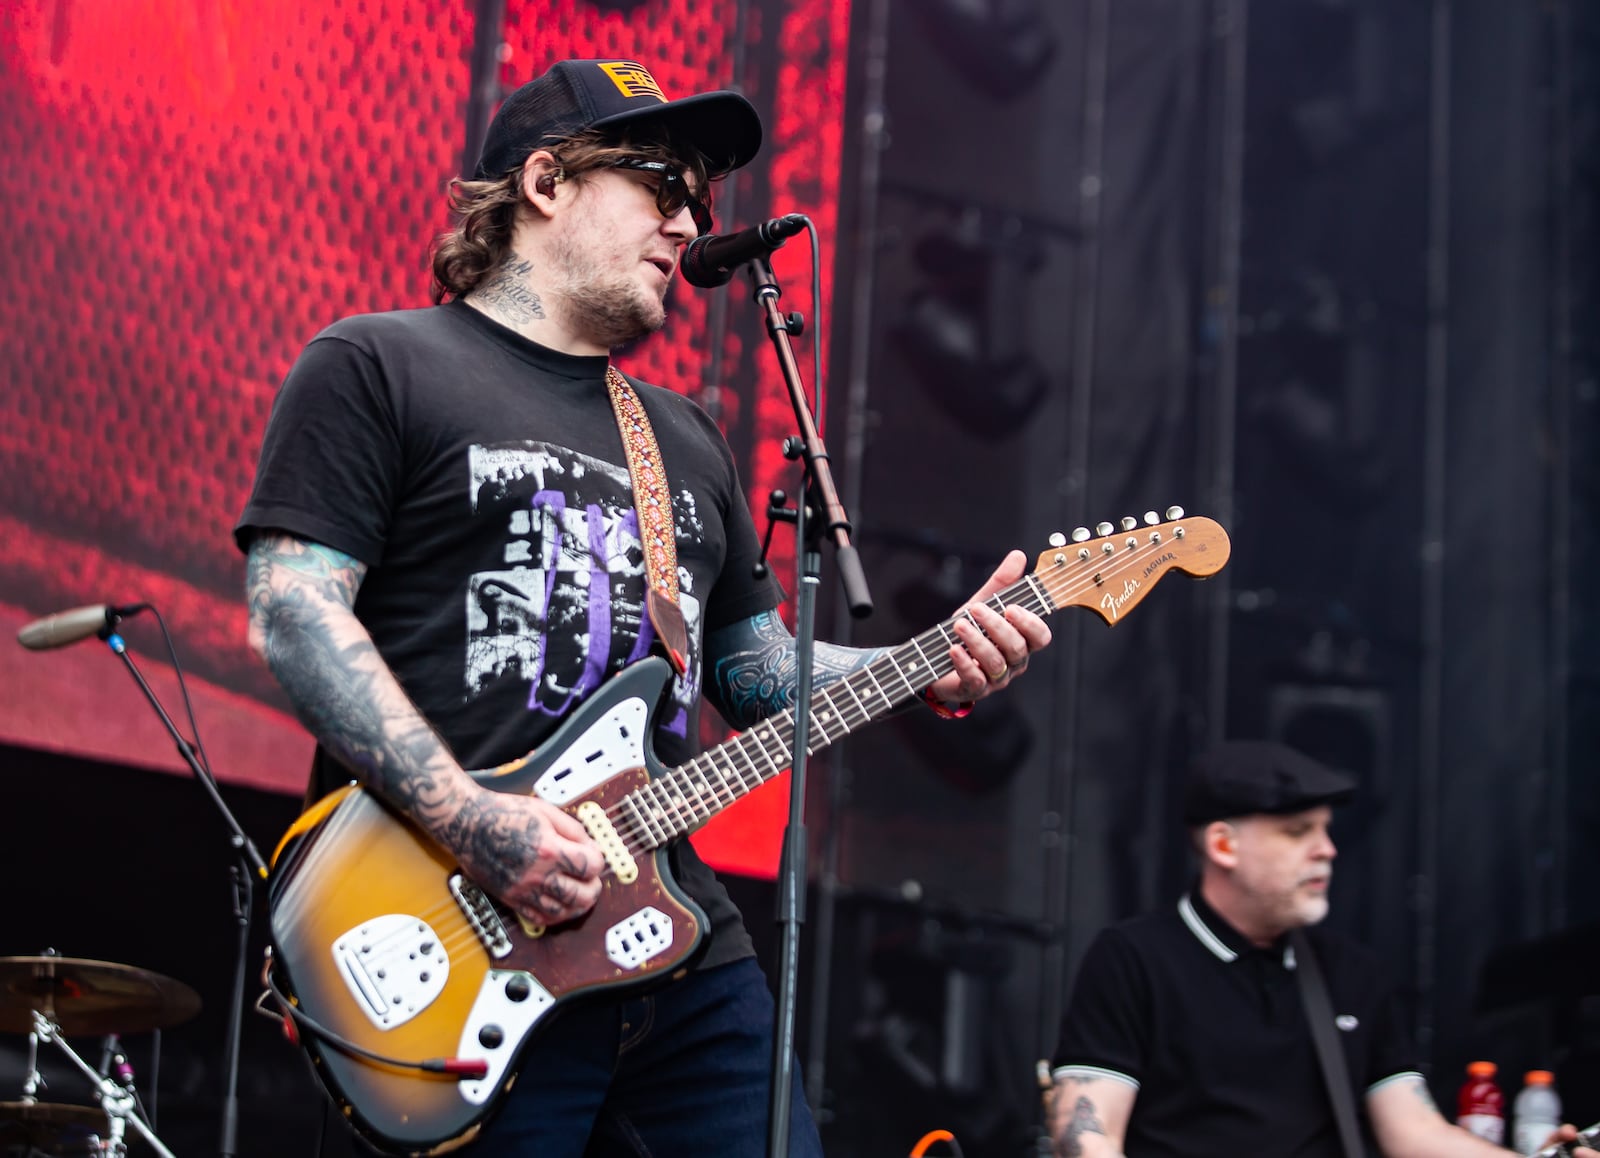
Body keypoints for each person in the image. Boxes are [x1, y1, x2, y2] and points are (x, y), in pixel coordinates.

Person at [236, 57, 1052, 1156]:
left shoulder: (682, 437)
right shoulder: (379, 364)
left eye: (703, 201)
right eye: (662, 184)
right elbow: (294, 613)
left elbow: (757, 675)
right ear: (544, 184)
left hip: (669, 932)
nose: (689, 220)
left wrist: (928, 660)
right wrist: (475, 822)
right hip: (460, 924)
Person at [1047, 741, 1597, 1158]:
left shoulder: (1351, 973)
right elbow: (1088, 1140)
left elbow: (1416, 1132)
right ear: (1223, 844)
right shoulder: (1132, 959)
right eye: (1299, 830)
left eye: (1328, 831)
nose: (1327, 851)